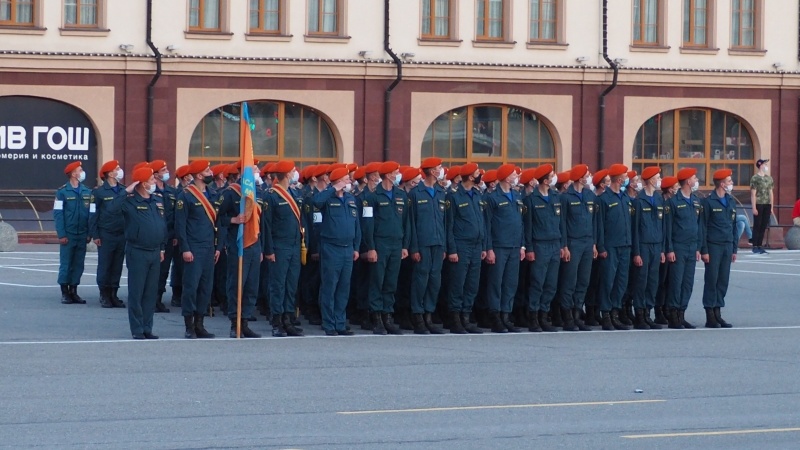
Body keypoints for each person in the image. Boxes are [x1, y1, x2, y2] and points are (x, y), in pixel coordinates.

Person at [117, 167, 167, 339]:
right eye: (152, 180)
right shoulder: (130, 202)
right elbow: (111, 209)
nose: (155, 182)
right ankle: (137, 329)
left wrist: (161, 247)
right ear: (143, 184)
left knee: (150, 292)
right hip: (137, 251)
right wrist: (126, 190)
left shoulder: (157, 201)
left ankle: (147, 327)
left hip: (154, 252)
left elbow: (161, 225)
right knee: (137, 292)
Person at [175, 159, 222, 339]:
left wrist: (217, 246)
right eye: (208, 170)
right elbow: (181, 226)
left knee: (205, 288)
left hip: (209, 247)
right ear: (200, 175)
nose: (211, 172)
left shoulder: (213, 194)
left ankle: (200, 324)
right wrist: (185, 249)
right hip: (193, 248)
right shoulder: (186, 196)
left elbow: (217, 223)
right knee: (191, 287)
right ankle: (189, 325)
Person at [217, 160, 263, 339]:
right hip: (238, 245)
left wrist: (261, 247)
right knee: (237, 285)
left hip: (253, 244)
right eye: (254, 168)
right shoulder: (230, 193)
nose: (257, 171)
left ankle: (245, 322)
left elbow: (260, 223)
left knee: (252, 286)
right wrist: (233, 220)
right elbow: (216, 216)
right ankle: (234, 322)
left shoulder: (254, 192)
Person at [362, 161, 408, 335]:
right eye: (396, 172)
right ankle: (376, 318)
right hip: (380, 244)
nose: (398, 175)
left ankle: (388, 316)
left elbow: (406, 222)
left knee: (391, 282)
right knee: (377, 281)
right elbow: (368, 224)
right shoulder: (372, 196)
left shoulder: (401, 195)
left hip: (396, 243)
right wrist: (371, 247)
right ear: (388, 175)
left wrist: (404, 245)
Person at [314, 167, 361, 336]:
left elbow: (357, 225)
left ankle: (340, 322)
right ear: (339, 181)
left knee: (343, 288)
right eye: (347, 179)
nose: (350, 182)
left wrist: (356, 247)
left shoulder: (350, 199)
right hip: (331, 248)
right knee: (330, 286)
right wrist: (333, 188)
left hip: (348, 249)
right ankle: (329, 323)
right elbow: (316, 202)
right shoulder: (327, 197)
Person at [263, 161, 305, 337]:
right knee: (277, 285)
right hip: (279, 246)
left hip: (294, 246)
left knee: (291, 284)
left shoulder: (294, 193)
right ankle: (277, 321)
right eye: (293, 171)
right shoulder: (271, 196)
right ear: (287, 174)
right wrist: (269, 250)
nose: (295, 173)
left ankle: (288, 319)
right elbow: (266, 225)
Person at [523, 164, 567, 332]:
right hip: (539, 245)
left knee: (551, 284)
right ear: (545, 180)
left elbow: (561, 224)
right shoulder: (531, 199)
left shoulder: (555, 197)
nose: (553, 178)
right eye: (550, 176)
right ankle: (533, 316)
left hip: (555, 244)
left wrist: (563, 245)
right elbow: (528, 226)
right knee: (537, 282)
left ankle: (544, 314)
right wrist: (529, 248)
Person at [406, 157, 448, 334]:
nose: (441, 171)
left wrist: (444, 246)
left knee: (434, 281)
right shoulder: (416, 193)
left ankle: (429, 315)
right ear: (431, 171)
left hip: (438, 243)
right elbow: (412, 223)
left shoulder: (440, 192)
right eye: (438, 168)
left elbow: (444, 222)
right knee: (420, 280)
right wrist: (413, 248)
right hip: (422, 244)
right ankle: (418, 316)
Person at [444, 163, 486, 334]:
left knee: (472, 284)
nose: (479, 175)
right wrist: (452, 249)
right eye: (477, 173)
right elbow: (450, 225)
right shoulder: (453, 197)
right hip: (461, 245)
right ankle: (454, 318)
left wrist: (483, 246)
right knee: (458, 283)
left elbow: (481, 221)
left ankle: (466, 317)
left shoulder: (477, 195)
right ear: (470, 176)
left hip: (476, 245)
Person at [484, 164, 525, 333]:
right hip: (499, 245)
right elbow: (487, 225)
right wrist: (489, 248)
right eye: (514, 174)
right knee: (496, 282)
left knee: (510, 282)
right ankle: (495, 316)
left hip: (515, 246)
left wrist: (522, 245)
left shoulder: (516, 195)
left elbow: (520, 222)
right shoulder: (492, 197)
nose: (516, 176)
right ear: (506, 177)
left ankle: (506, 315)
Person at [558, 164, 596, 332]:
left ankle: (577, 314)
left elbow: (593, 221)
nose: (588, 177)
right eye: (586, 174)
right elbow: (563, 223)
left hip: (588, 243)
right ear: (580, 178)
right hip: (573, 243)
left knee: (583, 281)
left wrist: (594, 243)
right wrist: (564, 246)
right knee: (569, 281)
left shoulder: (589, 195)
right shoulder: (566, 197)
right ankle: (567, 317)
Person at [595, 164, 633, 330]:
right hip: (610, 247)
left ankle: (615, 313)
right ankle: (606, 314)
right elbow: (599, 225)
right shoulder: (603, 199)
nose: (627, 179)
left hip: (625, 246)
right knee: (608, 281)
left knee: (621, 282)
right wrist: (601, 247)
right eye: (625, 176)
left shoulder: (625, 198)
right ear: (619, 179)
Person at [664, 168, 702, 329]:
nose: (696, 180)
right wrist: (670, 249)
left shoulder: (695, 200)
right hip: (678, 247)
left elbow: (698, 226)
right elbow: (668, 228)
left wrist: (698, 248)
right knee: (676, 282)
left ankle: (682, 312)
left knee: (688, 283)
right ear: (688, 181)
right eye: (694, 177)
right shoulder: (673, 202)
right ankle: (673, 315)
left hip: (691, 247)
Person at [700, 169, 737, 328]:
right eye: (729, 181)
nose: (731, 184)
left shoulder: (731, 200)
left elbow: (733, 226)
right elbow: (703, 227)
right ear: (722, 184)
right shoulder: (708, 202)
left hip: (727, 245)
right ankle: (710, 314)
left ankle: (718, 311)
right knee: (712, 279)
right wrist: (704, 250)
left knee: (723, 280)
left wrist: (734, 249)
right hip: (713, 245)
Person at [89, 159, 128, 309]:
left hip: (121, 233)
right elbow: (93, 214)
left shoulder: (123, 190)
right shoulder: (99, 192)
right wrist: (95, 235)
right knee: (105, 265)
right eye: (117, 168)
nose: (119, 170)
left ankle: (114, 294)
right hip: (106, 234)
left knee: (117, 265)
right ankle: (104, 294)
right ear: (110, 173)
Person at [630, 167, 665, 330]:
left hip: (656, 245)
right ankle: (639, 314)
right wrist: (636, 252)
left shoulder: (659, 200)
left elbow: (663, 227)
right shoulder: (639, 201)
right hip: (643, 246)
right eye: (658, 177)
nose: (660, 180)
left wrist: (663, 249)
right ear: (650, 180)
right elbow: (635, 229)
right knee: (641, 281)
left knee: (652, 281)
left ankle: (648, 312)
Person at [54, 161, 92, 305]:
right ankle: (65, 292)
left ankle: (74, 291)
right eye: (80, 170)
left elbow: (91, 214)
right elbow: (58, 214)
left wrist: (89, 232)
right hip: (68, 234)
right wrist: (61, 234)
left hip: (82, 234)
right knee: (66, 263)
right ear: (73, 173)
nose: (82, 172)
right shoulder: (62, 192)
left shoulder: (87, 191)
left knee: (78, 264)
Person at [151, 160, 177, 313]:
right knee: (154, 270)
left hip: (169, 236)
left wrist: (175, 235)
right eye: (163, 169)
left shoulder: (171, 191)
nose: (167, 171)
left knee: (164, 270)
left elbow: (175, 216)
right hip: (156, 236)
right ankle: (151, 300)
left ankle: (159, 299)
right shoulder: (151, 192)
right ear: (155, 174)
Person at [654, 176, 679, 325]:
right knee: (661, 281)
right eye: (675, 186)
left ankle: (666, 308)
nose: (677, 188)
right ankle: (659, 310)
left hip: (672, 246)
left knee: (670, 281)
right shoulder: (663, 203)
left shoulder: (671, 202)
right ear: (670, 189)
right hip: (663, 246)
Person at [169, 164, 193, 308]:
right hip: (179, 234)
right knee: (178, 267)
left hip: (190, 234)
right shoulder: (178, 193)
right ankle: (177, 294)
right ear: (185, 178)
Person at [750, 159, 774, 254]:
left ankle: (760, 245)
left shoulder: (769, 178)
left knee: (763, 225)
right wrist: (754, 207)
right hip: (758, 203)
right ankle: (755, 245)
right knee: (757, 225)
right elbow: (753, 193)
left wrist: (771, 206)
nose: (766, 166)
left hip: (766, 204)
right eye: (764, 164)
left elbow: (771, 192)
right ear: (760, 165)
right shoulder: (755, 178)